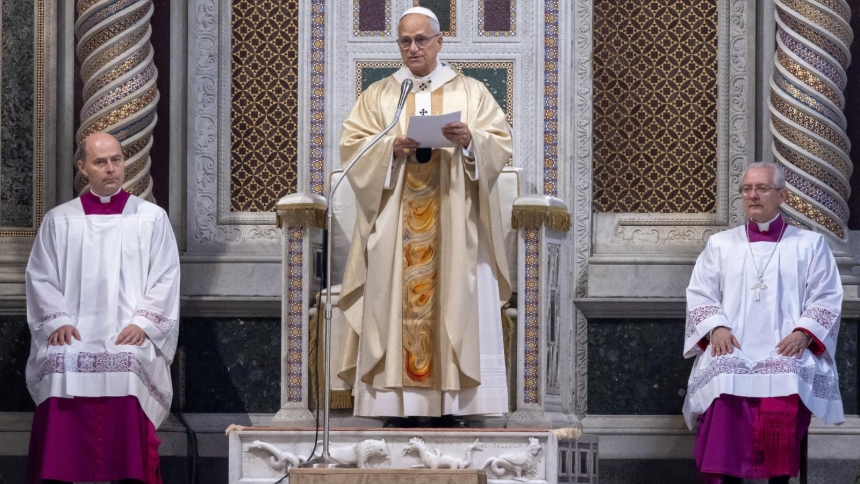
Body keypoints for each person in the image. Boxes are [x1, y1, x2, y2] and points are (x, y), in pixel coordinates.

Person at [337, 6, 512, 426]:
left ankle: (452, 405)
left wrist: (470, 141)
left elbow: (499, 142)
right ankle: (395, 407)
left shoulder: (470, 92)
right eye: (404, 40)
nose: (412, 48)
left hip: (454, 223)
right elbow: (353, 148)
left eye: (420, 39)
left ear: (439, 41)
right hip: (395, 226)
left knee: (459, 291)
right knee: (391, 299)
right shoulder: (380, 94)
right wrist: (389, 150)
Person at [25, 132, 180, 483]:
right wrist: (57, 321)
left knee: (128, 365)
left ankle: (128, 474)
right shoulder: (59, 220)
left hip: (129, 330)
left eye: (116, 160)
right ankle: (59, 474)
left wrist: (143, 323)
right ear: (82, 167)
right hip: (74, 330)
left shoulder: (151, 219)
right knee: (60, 362)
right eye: (100, 162)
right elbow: (41, 277)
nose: (111, 169)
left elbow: (166, 278)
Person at [683, 161, 843, 484]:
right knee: (723, 377)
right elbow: (700, 293)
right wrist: (716, 327)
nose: (752, 195)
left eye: (762, 189)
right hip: (734, 348)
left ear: (782, 195)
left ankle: (779, 479)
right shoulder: (721, 245)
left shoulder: (809, 245)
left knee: (787, 376)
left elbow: (826, 295)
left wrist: (804, 332)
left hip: (786, 349)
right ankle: (728, 478)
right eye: (747, 189)